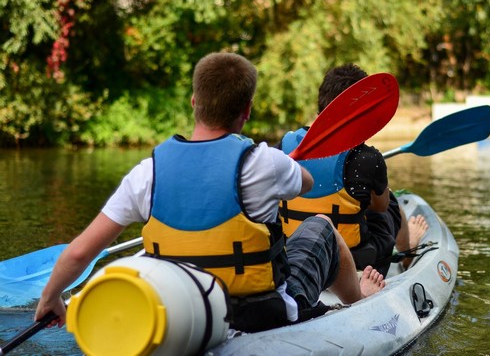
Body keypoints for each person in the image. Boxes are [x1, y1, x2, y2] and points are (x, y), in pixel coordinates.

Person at [35, 52, 385, 333]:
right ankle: (359, 303)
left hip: (184, 310)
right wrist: (282, 163)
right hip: (259, 313)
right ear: (246, 111)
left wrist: (51, 297)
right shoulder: (265, 163)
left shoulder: (148, 171)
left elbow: (79, 253)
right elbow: (306, 184)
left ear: (193, 101)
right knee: (322, 226)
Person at [278, 63, 428, 275]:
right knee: (389, 200)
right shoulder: (369, 158)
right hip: (355, 259)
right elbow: (381, 206)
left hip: (294, 251)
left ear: (320, 107)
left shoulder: (283, 147)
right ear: (362, 114)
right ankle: (408, 249)